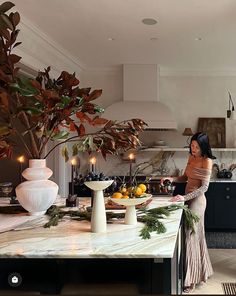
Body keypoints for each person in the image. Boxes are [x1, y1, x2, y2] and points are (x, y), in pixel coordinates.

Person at [161, 132, 216, 293]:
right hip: (186, 199)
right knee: (192, 237)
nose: (193, 149)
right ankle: (200, 273)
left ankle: (190, 281)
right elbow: (185, 177)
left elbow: (204, 188)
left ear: (203, 147)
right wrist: (172, 179)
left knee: (190, 236)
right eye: (192, 146)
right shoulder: (191, 158)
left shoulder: (207, 161)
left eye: (196, 147)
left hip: (198, 202)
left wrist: (184, 197)